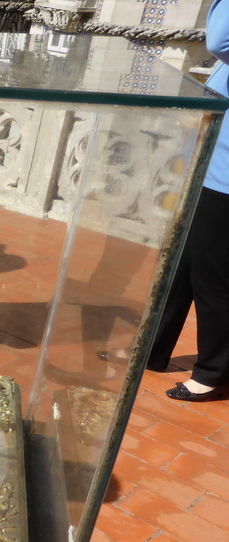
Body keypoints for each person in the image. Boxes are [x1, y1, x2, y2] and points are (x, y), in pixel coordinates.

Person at [144, 0, 229, 402]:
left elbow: (221, 38)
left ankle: (214, 371)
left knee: (214, 277)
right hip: (210, 156)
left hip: (227, 173)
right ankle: (152, 346)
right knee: (179, 263)